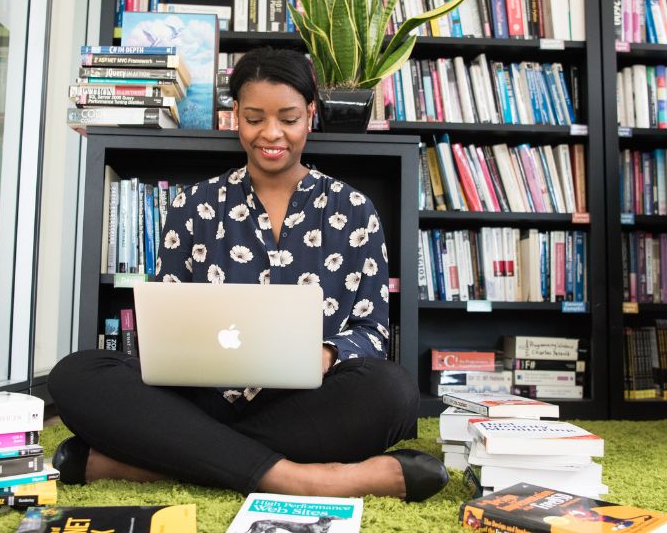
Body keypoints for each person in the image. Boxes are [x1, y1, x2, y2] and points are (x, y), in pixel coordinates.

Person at [48, 47, 449, 502]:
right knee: (75, 375)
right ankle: (309, 479)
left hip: (305, 403)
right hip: (196, 398)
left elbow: (372, 331)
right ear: (234, 114)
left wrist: (324, 354)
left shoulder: (354, 210)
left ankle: (155, 461)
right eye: (255, 117)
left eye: (289, 118)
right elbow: (165, 322)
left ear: (311, 115)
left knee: (393, 391)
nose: (272, 133)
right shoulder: (192, 205)